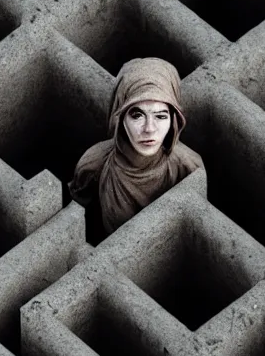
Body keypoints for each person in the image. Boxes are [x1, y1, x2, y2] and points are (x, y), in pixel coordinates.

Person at [68, 57, 204, 234]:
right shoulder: (94, 164)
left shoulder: (189, 167)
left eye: (161, 116)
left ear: (174, 120)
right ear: (120, 118)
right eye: (137, 115)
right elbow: (79, 221)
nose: (149, 129)